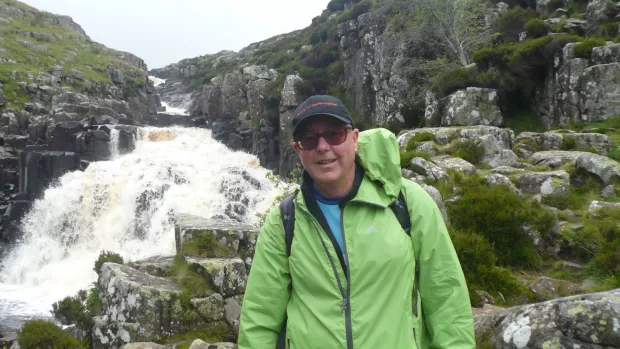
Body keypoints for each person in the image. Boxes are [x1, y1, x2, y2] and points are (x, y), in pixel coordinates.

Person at [237, 95, 475, 349]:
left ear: (354, 138)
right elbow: (260, 319)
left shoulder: (406, 202)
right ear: (298, 150)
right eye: (309, 139)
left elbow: (446, 298)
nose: (322, 146)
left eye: (334, 134)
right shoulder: (284, 221)